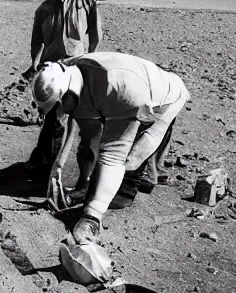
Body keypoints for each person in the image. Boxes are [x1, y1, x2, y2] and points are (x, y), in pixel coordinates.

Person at [31, 52, 190, 244]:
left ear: (69, 92)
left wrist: (91, 213)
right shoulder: (67, 70)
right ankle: (92, 190)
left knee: (130, 160)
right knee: (97, 155)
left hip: (162, 99)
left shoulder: (121, 90)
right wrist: (81, 185)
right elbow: (90, 139)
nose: (62, 112)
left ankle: (112, 202)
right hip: (117, 89)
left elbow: (113, 157)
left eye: (61, 106)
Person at [23, 0, 103, 191]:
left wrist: (93, 57)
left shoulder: (85, 1)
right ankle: (48, 165)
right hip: (53, 68)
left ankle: (54, 163)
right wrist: (35, 65)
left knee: (77, 116)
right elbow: (36, 41)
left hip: (78, 66)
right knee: (56, 116)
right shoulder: (44, 9)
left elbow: (96, 31)